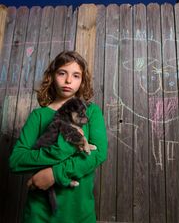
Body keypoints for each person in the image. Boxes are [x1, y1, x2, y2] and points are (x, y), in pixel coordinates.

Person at [9, 51, 108, 223]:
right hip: (40, 213)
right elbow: (16, 160)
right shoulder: (38, 116)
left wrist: (55, 174)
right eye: (62, 73)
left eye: (76, 75)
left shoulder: (91, 112)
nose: (68, 80)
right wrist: (67, 145)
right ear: (52, 76)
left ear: (82, 81)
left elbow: (99, 153)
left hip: (79, 212)